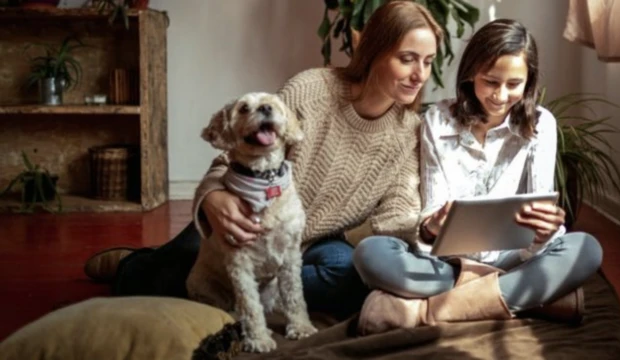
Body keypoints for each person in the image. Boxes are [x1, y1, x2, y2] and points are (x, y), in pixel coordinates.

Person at [83, 0, 443, 320]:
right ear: (374, 52)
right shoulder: (311, 90)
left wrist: (426, 229)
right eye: (407, 58)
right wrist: (212, 197)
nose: (419, 75)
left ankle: (246, 295)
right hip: (249, 217)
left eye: (427, 62)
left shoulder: (408, 131)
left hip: (316, 241)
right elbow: (234, 154)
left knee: (347, 274)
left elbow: (398, 208)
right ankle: (133, 265)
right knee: (184, 265)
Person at [353, 18, 603, 334]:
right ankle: (522, 297)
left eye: (514, 84)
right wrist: (432, 227)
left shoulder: (541, 124)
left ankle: (427, 311)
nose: (500, 95)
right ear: (471, 73)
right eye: (490, 81)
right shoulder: (437, 120)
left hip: (515, 259)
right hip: (448, 264)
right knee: (370, 253)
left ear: (529, 81)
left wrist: (545, 230)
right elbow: (431, 215)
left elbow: (540, 219)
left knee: (586, 249)